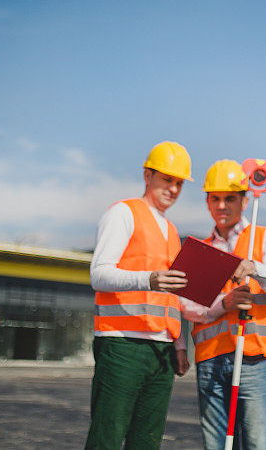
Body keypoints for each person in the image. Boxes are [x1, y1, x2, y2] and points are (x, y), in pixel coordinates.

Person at [85, 140, 200, 450]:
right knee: (107, 436)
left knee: (147, 441)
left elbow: (173, 294)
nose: (174, 189)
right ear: (147, 176)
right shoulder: (124, 213)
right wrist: (149, 279)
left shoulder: (173, 231)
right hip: (123, 344)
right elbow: (99, 274)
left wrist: (179, 344)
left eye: (179, 183)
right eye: (167, 179)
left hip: (162, 351)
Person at [190, 159, 266, 450]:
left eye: (230, 198)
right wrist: (224, 303)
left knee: (257, 444)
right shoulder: (201, 250)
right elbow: (188, 305)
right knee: (216, 446)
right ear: (207, 201)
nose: (222, 206)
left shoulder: (265, 238)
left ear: (245, 200)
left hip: (253, 359)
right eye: (215, 199)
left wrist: (255, 267)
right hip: (211, 360)